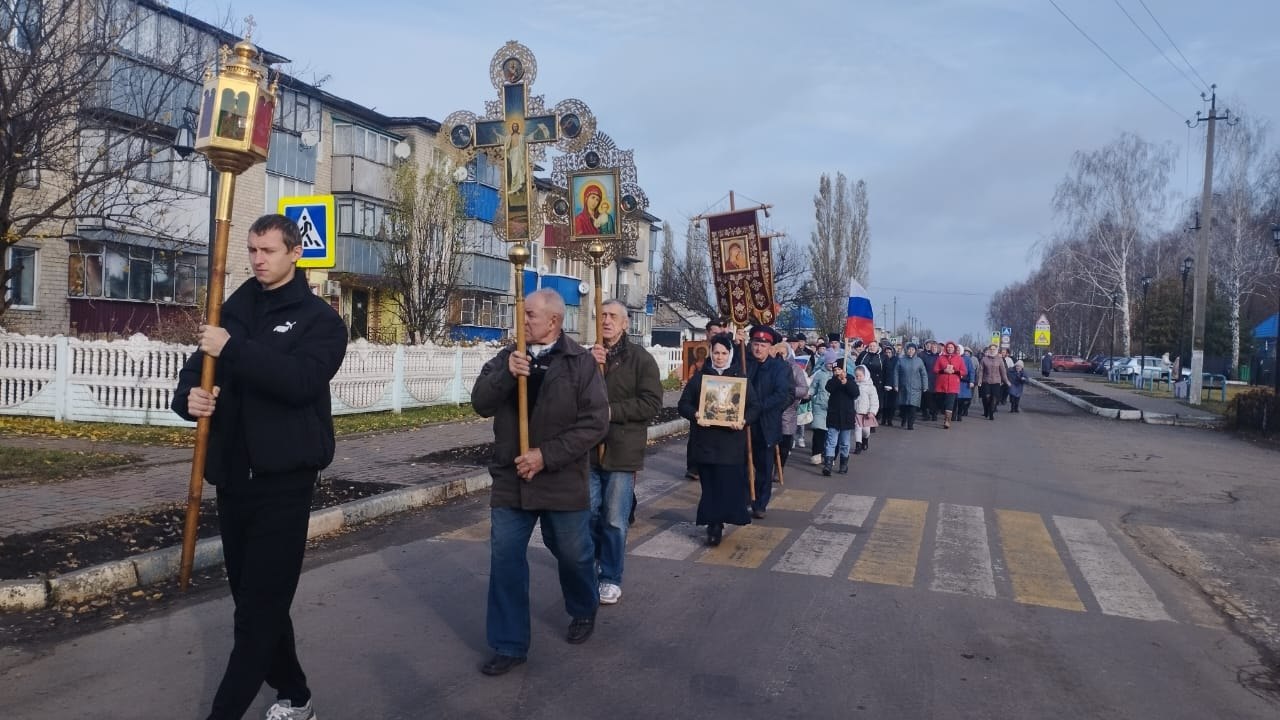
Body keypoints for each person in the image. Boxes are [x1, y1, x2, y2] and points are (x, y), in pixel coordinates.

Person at [172, 214, 348, 720]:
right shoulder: (234, 307)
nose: (256, 259)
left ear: (295, 252)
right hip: (233, 477)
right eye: (251, 250)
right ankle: (295, 694)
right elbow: (194, 368)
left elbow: (300, 381)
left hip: (285, 479)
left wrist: (236, 349)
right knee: (256, 601)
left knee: (255, 612)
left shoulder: (320, 319)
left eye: (267, 250)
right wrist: (192, 399)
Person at [470, 288, 609, 676]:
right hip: (511, 479)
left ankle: (583, 607)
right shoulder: (507, 357)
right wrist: (505, 374)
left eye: (529, 313)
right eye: (520, 312)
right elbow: (480, 403)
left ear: (554, 321)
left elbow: (595, 423)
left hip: (562, 480)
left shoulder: (579, 363)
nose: (522, 319)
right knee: (506, 561)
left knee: (573, 554)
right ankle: (509, 643)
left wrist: (545, 456)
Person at [588, 300, 662, 606]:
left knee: (614, 518)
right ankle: (591, 562)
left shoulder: (640, 360)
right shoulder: (587, 356)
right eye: (602, 315)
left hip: (622, 450)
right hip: (589, 450)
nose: (606, 321)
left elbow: (650, 403)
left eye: (612, 317)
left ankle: (610, 576)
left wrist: (611, 411)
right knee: (588, 513)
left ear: (625, 324)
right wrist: (588, 366)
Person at [679, 333, 753, 546]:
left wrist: (744, 420)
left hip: (731, 442)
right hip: (707, 442)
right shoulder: (700, 378)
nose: (720, 357)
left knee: (726, 484)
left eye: (724, 353)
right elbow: (683, 404)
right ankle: (713, 524)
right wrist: (696, 414)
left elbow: (755, 406)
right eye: (716, 353)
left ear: (730, 354)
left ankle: (721, 519)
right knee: (710, 486)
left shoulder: (740, 378)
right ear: (711, 354)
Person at [744, 325, 793, 518]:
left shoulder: (779, 368)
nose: (758, 349)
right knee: (743, 463)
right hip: (745, 423)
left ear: (770, 347)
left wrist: (759, 407)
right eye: (755, 344)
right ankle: (745, 497)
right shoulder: (744, 363)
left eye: (763, 345)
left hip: (766, 423)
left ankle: (760, 503)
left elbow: (781, 394)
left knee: (764, 467)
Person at [686, 317, 728, 481]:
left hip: (719, 400)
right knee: (695, 436)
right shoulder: (700, 350)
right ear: (708, 333)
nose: (719, 356)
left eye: (720, 332)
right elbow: (690, 373)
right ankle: (693, 467)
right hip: (698, 399)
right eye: (714, 332)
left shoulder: (727, 351)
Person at [776, 342, 810, 468]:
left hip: (788, 412)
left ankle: (779, 467)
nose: (779, 356)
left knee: (784, 445)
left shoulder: (795, 369)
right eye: (777, 353)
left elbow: (803, 389)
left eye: (782, 353)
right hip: (772, 411)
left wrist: (790, 391)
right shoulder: (771, 367)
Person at [822, 358, 858, 475]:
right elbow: (828, 388)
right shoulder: (832, 381)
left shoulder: (851, 380)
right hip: (834, 415)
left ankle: (843, 464)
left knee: (845, 442)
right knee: (831, 441)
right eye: (835, 369)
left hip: (846, 416)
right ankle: (828, 464)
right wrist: (838, 380)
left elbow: (855, 393)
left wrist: (846, 382)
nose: (837, 371)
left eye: (839, 369)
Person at [807, 349, 835, 464]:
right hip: (819, 406)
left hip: (833, 407)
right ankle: (816, 453)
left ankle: (828, 455)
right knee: (819, 431)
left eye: (832, 363)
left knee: (831, 433)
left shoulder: (838, 374)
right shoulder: (819, 374)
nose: (830, 365)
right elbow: (813, 387)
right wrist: (809, 394)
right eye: (828, 363)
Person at [932, 341, 967, 429]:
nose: (949, 349)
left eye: (951, 347)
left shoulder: (959, 359)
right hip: (941, 384)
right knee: (942, 403)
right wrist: (944, 371)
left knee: (950, 403)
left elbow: (964, 371)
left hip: (953, 384)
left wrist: (955, 371)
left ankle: (947, 421)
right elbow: (935, 370)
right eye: (948, 347)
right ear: (946, 348)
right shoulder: (941, 358)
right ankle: (944, 413)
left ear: (954, 349)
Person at [895, 343, 928, 430]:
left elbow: (923, 374)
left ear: (915, 351)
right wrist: (896, 384)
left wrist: (925, 386)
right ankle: (904, 418)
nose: (911, 351)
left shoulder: (919, 361)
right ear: (906, 350)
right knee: (904, 405)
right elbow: (896, 373)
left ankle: (910, 424)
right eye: (909, 349)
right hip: (903, 386)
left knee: (913, 406)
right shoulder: (901, 360)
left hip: (915, 387)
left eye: (912, 350)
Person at [975, 344, 1011, 421]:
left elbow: (1003, 372)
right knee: (987, 397)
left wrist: (1006, 381)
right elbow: (981, 371)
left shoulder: (999, 359)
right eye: (991, 349)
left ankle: (991, 413)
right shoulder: (984, 359)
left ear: (996, 350)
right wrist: (979, 381)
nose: (992, 350)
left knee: (994, 398)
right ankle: (987, 410)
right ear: (989, 350)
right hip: (986, 381)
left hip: (996, 382)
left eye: (994, 349)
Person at [852, 364, 879, 454]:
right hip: (857, 412)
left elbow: (874, 401)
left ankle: (865, 439)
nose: (858, 377)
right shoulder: (854, 385)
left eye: (860, 376)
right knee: (858, 428)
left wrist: (872, 411)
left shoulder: (870, 387)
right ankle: (858, 445)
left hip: (867, 413)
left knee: (866, 430)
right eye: (857, 376)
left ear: (865, 375)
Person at [920, 340, 941, 422]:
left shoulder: (940, 357)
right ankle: (927, 414)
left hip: (938, 380)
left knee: (936, 398)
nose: (934, 349)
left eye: (935, 347)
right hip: (928, 379)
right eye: (932, 347)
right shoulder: (925, 356)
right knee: (927, 398)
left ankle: (934, 413)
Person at [955, 345, 977, 421]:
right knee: (954, 399)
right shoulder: (952, 357)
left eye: (958, 350)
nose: (957, 351)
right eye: (956, 350)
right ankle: (954, 414)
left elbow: (971, 371)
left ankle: (959, 413)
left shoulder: (967, 359)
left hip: (964, 383)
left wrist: (971, 381)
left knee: (962, 400)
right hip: (954, 381)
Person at [879, 344, 899, 426]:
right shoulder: (882, 360)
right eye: (886, 352)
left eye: (889, 352)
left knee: (892, 403)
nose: (888, 354)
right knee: (884, 403)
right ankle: (883, 419)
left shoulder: (896, 360)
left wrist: (896, 384)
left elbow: (897, 372)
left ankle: (890, 419)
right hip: (884, 384)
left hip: (893, 384)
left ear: (892, 353)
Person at [505, 121, 526, 196]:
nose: (515, 127)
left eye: (516, 126)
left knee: (519, 170)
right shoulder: (509, 137)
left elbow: (524, 147)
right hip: (513, 154)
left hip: (519, 154)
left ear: (518, 127)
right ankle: (514, 188)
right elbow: (506, 147)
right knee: (514, 173)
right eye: (514, 126)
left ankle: (519, 187)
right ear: (512, 128)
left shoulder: (521, 136)